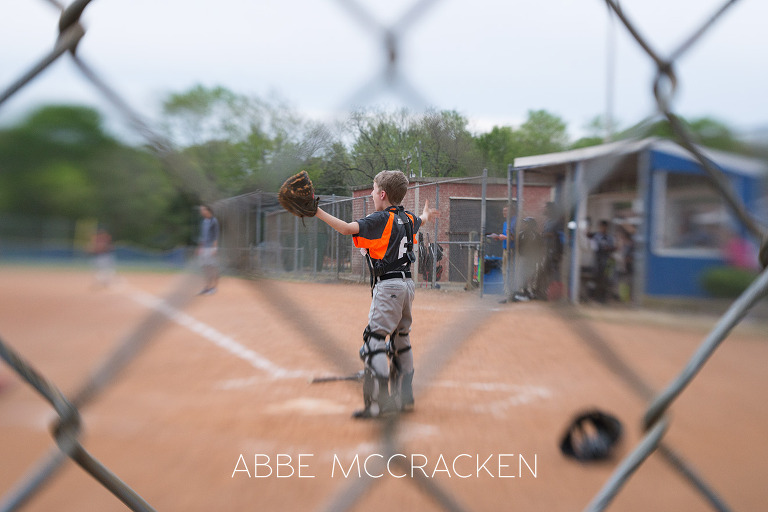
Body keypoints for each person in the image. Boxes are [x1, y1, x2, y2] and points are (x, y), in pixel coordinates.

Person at [315, 170, 437, 419]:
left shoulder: (380, 218)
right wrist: (426, 214)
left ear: (382, 194)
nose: (371, 194)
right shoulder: (408, 218)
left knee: (374, 341)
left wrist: (315, 211)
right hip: (407, 286)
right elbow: (421, 220)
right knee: (401, 338)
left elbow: (348, 228)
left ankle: (378, 404)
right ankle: (405, 397)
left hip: (389, 287)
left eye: (373, 189)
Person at [488, 205, 516, 303]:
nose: (504, 213)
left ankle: (512, 293)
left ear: (512, 211)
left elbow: (513, 237)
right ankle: (507, 292)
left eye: (506, 211)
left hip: (512, 250)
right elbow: (505, 236)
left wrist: (503, 237)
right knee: (504, 271)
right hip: (505, 249)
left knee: (510, 271)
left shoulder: (514, 221)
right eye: (503, 211)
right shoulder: (505, 223)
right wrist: (498, 237)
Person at [196, 204, 220, 295]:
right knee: (205, 267)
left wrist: (215, 248)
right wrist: (199, 247)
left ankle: (214, 287)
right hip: (204, 247)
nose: (201, 212)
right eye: (201, 210)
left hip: (211, 248)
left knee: (212, 267)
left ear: (208, 210)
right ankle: (207, 287)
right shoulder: (204, 221)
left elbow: (216, 236)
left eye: (203, 210)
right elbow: (202, 236)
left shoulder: (214, 221)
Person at [592, 219, 616, 303]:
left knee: (606, 279)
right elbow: (595, 247)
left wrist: (608, 249)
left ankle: (604, 297)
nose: (602, 228)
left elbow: (612, 247)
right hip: (598, 260)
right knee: (598, 278)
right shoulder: (596, 237)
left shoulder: (609, 237)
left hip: (606, 260)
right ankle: (596, 296)